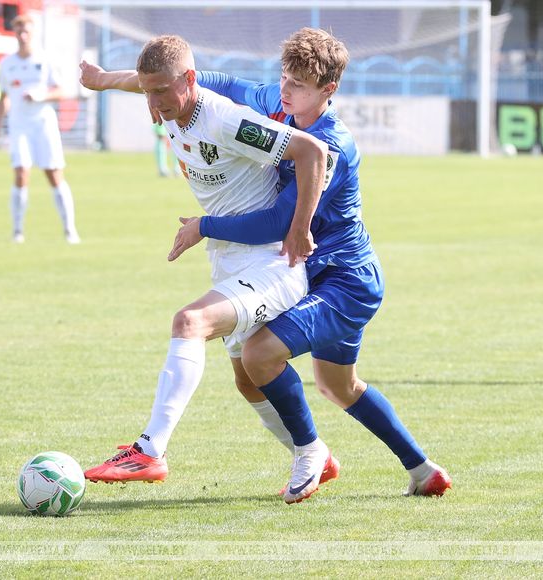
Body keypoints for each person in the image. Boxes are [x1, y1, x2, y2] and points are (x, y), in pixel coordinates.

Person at [169, 28, 452, 497]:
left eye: (298, 84)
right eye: (284, 77)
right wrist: (144, 82)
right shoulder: (280, 103)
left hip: (345, 280)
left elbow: (279, 222)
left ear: (328, 90)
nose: (285, 90)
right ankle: (424, 472)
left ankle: (309, 453)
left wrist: (205, 226)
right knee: (338, 387)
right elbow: (220, 82)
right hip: (316, 275)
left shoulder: (331, 147)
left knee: (258, 355)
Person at [79, 35, 335, 504]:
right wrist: (101, 81)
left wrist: (300, 229)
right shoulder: (166, 99)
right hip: (229, 261)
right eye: (148, 92)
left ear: (190, 80)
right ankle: (314, 452)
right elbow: (140, 81)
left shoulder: (226, 120)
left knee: (189, 322)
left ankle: (150, 450)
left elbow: (312, 153)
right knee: (247, 380)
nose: (153, 102)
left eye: (162, 91)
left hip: (272, 263)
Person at [0, 15, 80, 245]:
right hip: (19, 125)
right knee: (21, 173)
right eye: (19, 32)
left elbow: (61, 91)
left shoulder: (45, 60)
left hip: (43, 124)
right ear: (14, 34)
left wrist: (40, 96)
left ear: (32, 34)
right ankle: (17, 230)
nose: (23, 36)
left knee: (54, 174)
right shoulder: (7, 63)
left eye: (26, 32)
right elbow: (4, 96)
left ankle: (70, 229)